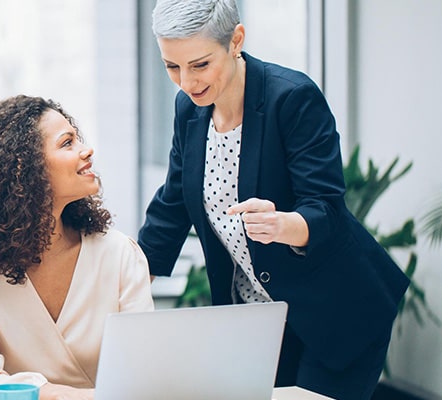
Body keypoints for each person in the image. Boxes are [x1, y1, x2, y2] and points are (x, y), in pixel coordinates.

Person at [137, 1, 410, 399]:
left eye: (199, 65)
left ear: (236, 41)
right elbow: (174, 201)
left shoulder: (292, 98)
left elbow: (325, 208)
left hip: (336, 310)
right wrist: (129, 278)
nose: (186, 82)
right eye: (171, 67)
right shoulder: (189, 109)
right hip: (261, 318)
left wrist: (284, 225)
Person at [0, 95, 154, 400]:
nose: (86, 150)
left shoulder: (121, 254)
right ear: (26, 168)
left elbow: (144, 379)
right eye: (67, 143)